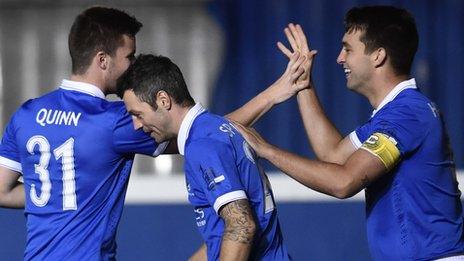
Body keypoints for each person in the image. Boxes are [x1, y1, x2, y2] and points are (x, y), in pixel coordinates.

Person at [0, 6, 308, 260]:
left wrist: (61, 197)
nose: (133, 65)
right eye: (130, 56)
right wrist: (273, 94)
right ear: (103, 60)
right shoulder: (115, 122)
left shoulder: (26, 114)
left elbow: (2, 191)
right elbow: (201, 130)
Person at [234, 6, 464, 260]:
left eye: (348, 49)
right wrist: (303, 83)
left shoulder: (408, 114)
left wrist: (265, 149)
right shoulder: (395, 113)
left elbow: (343, 182)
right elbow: (334, 156)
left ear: (378, 56)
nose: (339, 58)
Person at [117, 53, 303, 261]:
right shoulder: (217, 129)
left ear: (163, 100)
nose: (136, 125)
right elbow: (223, 236)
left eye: (138, 114)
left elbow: (241, 226)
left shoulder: (202, 146)